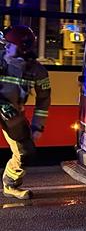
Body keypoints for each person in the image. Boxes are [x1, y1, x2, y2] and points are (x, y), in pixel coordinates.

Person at [0, 25, 51, 200]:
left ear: (22, 48)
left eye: (9, 45)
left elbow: (43, 99)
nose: (5, 47)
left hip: (12, 114)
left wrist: (37, 126)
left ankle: (10, 184)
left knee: (26, 152)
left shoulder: (37, 71)